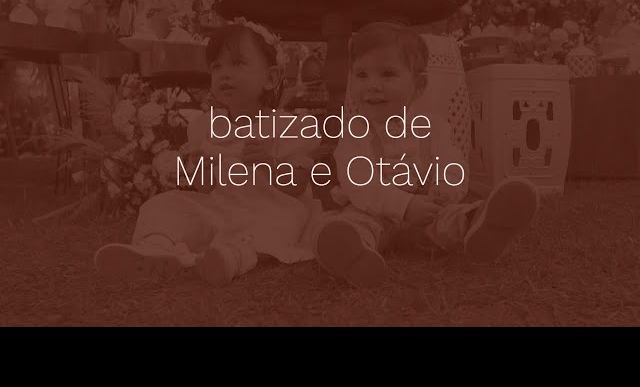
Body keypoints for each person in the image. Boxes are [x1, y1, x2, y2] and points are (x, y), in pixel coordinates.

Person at [308, 22, 539, 288]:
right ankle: (353, 252)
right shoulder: (354, 133)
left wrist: (446, 188)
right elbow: (357, 183)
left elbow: (453, 164)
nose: (372, 85)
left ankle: (479, 223)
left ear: (418, 85)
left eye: (387, 74)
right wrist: (404, 206)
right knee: (354, 223)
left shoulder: (433, 127)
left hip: (426, 213)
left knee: (449, 218)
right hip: (372, 213)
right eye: (361, 75)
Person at [94, 19, 321, 286]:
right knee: (166, 204)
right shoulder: (207, 126)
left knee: (278, 225)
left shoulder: (288, 126)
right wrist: (201, 167)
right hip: (222, 209)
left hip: (271, 209)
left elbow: (297, 185)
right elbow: (204, 188)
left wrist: (269, 165)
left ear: (270, 78)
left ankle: (236, 256)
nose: (225, 74)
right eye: (217, 67)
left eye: (237, 63)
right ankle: (156, 247)